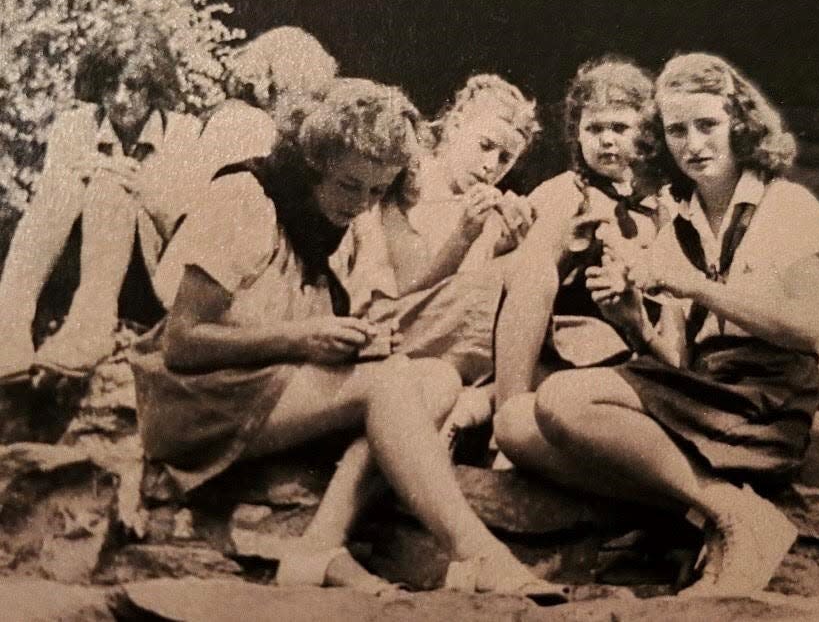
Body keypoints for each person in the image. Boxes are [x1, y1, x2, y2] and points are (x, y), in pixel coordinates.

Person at [130, 78, 567, 602]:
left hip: (268, 387)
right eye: (349, 185)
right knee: (389, 384)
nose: (362, 204)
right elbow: (183, 343)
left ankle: (321, 543)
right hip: (193, 404)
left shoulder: (347, 221)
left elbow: (381, 303)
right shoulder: (245, 198)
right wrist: (303, 337)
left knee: (431, 378)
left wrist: (359, 337)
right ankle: (478, 554)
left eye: (377, 191)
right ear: (313, 162)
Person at [495, 53, 819, 597]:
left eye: (708, 125)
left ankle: (729, 518)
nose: (693, 143)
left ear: (740, 124)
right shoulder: (678, 220)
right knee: (515, 423)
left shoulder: (788, 205)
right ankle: (719, 512)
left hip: (765, 397)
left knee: (564, 398)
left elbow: (810, 333)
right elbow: (678, 362)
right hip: (705, 392)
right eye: (676, 130)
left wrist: (691, 284)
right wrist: (633, 321)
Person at [0, 23, 202, 380]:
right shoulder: (74, 126)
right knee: (66, 187)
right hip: (77, 265)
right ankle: (10, 324)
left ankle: (91, 326)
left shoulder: (183, 133)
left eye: (133, 86)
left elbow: (191, 235)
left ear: (153, 86)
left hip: (148, 278)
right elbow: (45, 217)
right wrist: (79, 179)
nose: (121, 98)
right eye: (110, 85)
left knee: (111, 184)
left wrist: (143, 190)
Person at [342, 75, 538, 435]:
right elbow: (396, 294)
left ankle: (470, 410)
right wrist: (463, 238)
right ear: (457, 124)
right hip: (387, 327)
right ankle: (492, 416)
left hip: (442, 344)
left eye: (506, 158)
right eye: (486, 145)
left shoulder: (481, 207)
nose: (492, 165)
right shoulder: (404, 179)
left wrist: (502, 249)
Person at [491, 55, 667, 420]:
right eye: (594, 129)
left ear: (647, 133)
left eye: (619, 128)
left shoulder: (659, 206)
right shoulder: (567, 193)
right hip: (564, 348)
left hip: (636, 350)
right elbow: (528, 285)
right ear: (577, 133)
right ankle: (506, 412)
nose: (606, 140)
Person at [154, 26, 339, 309]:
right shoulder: (248, 123)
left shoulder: (231, 116)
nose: (314, 107)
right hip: (203, 279)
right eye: (310, 93)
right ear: (278, 85)